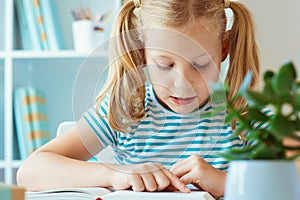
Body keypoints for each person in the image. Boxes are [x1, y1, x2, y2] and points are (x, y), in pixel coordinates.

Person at [16, 0, 261, 197]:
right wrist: (115, 174)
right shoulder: (127, 110)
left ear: (224, 48)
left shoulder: (246, 115)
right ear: (142, 52)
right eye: (165, 65)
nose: (182, 83)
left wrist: (228, 183)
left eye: (200, 64)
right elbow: (30, 171)